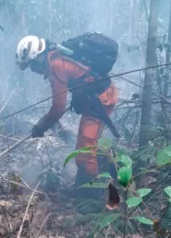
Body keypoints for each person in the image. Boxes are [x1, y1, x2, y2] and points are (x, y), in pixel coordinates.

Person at [15, 35, 119, 198]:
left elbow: (58, 108)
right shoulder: (58, 55)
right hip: (97, 97)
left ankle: (91, 199)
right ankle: (105, 170)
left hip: (101, 99)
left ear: (39, 57)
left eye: (32, 65)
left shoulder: (57, 66)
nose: (33, 70)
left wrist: (41, 127)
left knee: (84, 152)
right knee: (85, 146)